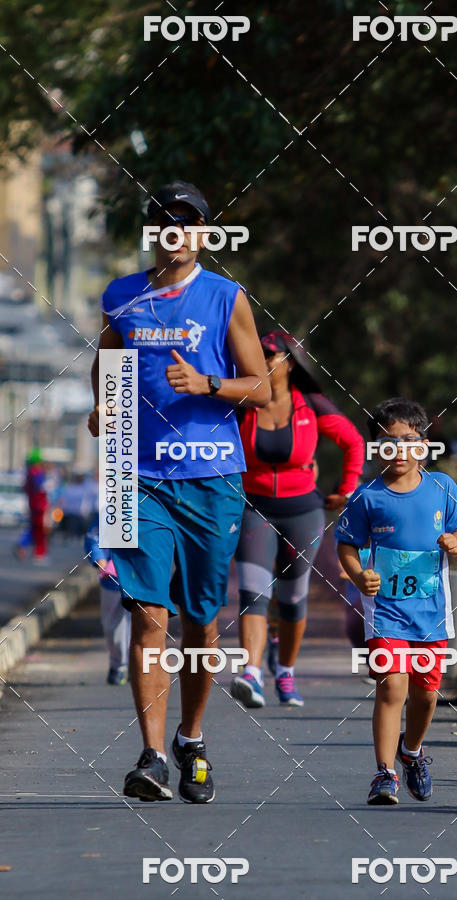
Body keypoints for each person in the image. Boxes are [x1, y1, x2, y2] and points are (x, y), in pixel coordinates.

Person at [88, 181, 270, 804]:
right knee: (148, 615)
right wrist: (100, 407)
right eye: (166, 222)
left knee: (201, 621)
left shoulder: (227, 297)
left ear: (203, 234)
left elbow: (263, 389)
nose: (177, 232)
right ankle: (151, 754)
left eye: (188, 223)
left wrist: (205, 383)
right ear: (153, 231)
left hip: (211, 478)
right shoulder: (121, 295)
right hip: (135, 476)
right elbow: (107, 357)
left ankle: (193, 740)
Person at [335, 397, 457, 805]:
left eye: (409, 440)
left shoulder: (443, 488)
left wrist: (455, 543)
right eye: (388, 441)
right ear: (377, 447)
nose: (399, 450)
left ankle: (411, 751)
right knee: (392, 686)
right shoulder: (366, 497)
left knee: (426, 694)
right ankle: (384, 774)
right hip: (386, 612)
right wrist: (360, 576)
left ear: (424, 445)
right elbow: (347, 546)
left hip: (431, 613)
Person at [230, 330, 364, 708]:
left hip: (303, 511)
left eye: (268, 354)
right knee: (253, 594)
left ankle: (285, 671)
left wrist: (347, 488)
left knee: (291, 601)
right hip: (254, 508)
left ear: (288, 362)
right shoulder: (242, 403)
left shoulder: (312, 405)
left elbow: (354, 442)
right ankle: (251, 674)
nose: (260, 359)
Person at [85, 515, 131, 685]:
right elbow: (93, 537)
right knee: (112, 624)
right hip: (113, 577)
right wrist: (99, 557)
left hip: (142, 576)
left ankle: (133, 663)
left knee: (142, 623)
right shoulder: (111, 507)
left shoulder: (152, 502)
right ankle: (118, 664)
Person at [24, 447, 49, 562]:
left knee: (34, 528)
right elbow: (41, 488)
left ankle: (23, 546)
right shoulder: (37, 472)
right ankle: (39, 553)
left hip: (33, 504)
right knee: (40, 529)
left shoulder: (29, 472)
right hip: (39, 506)